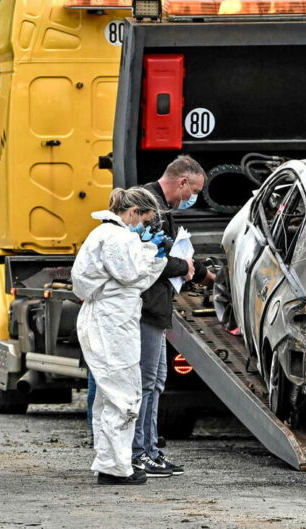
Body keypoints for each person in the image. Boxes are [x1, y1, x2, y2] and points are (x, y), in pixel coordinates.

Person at [72, 187, 168, 485]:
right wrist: (150, 251)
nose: (144, 227)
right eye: (145, 220)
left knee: (109, 395)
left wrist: (153, 257)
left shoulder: (105, 234)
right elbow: (130, 274)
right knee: (123, 394)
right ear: (134, 212)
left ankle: (111, 462)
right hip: (112, 323)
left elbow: (136, 279)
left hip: (110, 318)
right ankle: (115, 468)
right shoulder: (117, 237)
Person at [131, 155, 215, 478]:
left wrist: (202, 274)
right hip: (147, 308)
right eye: (193, 191)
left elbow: (176, 253)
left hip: (158, 308)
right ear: (182, 183)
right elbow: (150, 260)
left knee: (156, 382)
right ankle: (140, 452)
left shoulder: (163, 209)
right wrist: (185, 268)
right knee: (145, 383)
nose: (193, 198)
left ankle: (151, 449)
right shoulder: (148, 207)